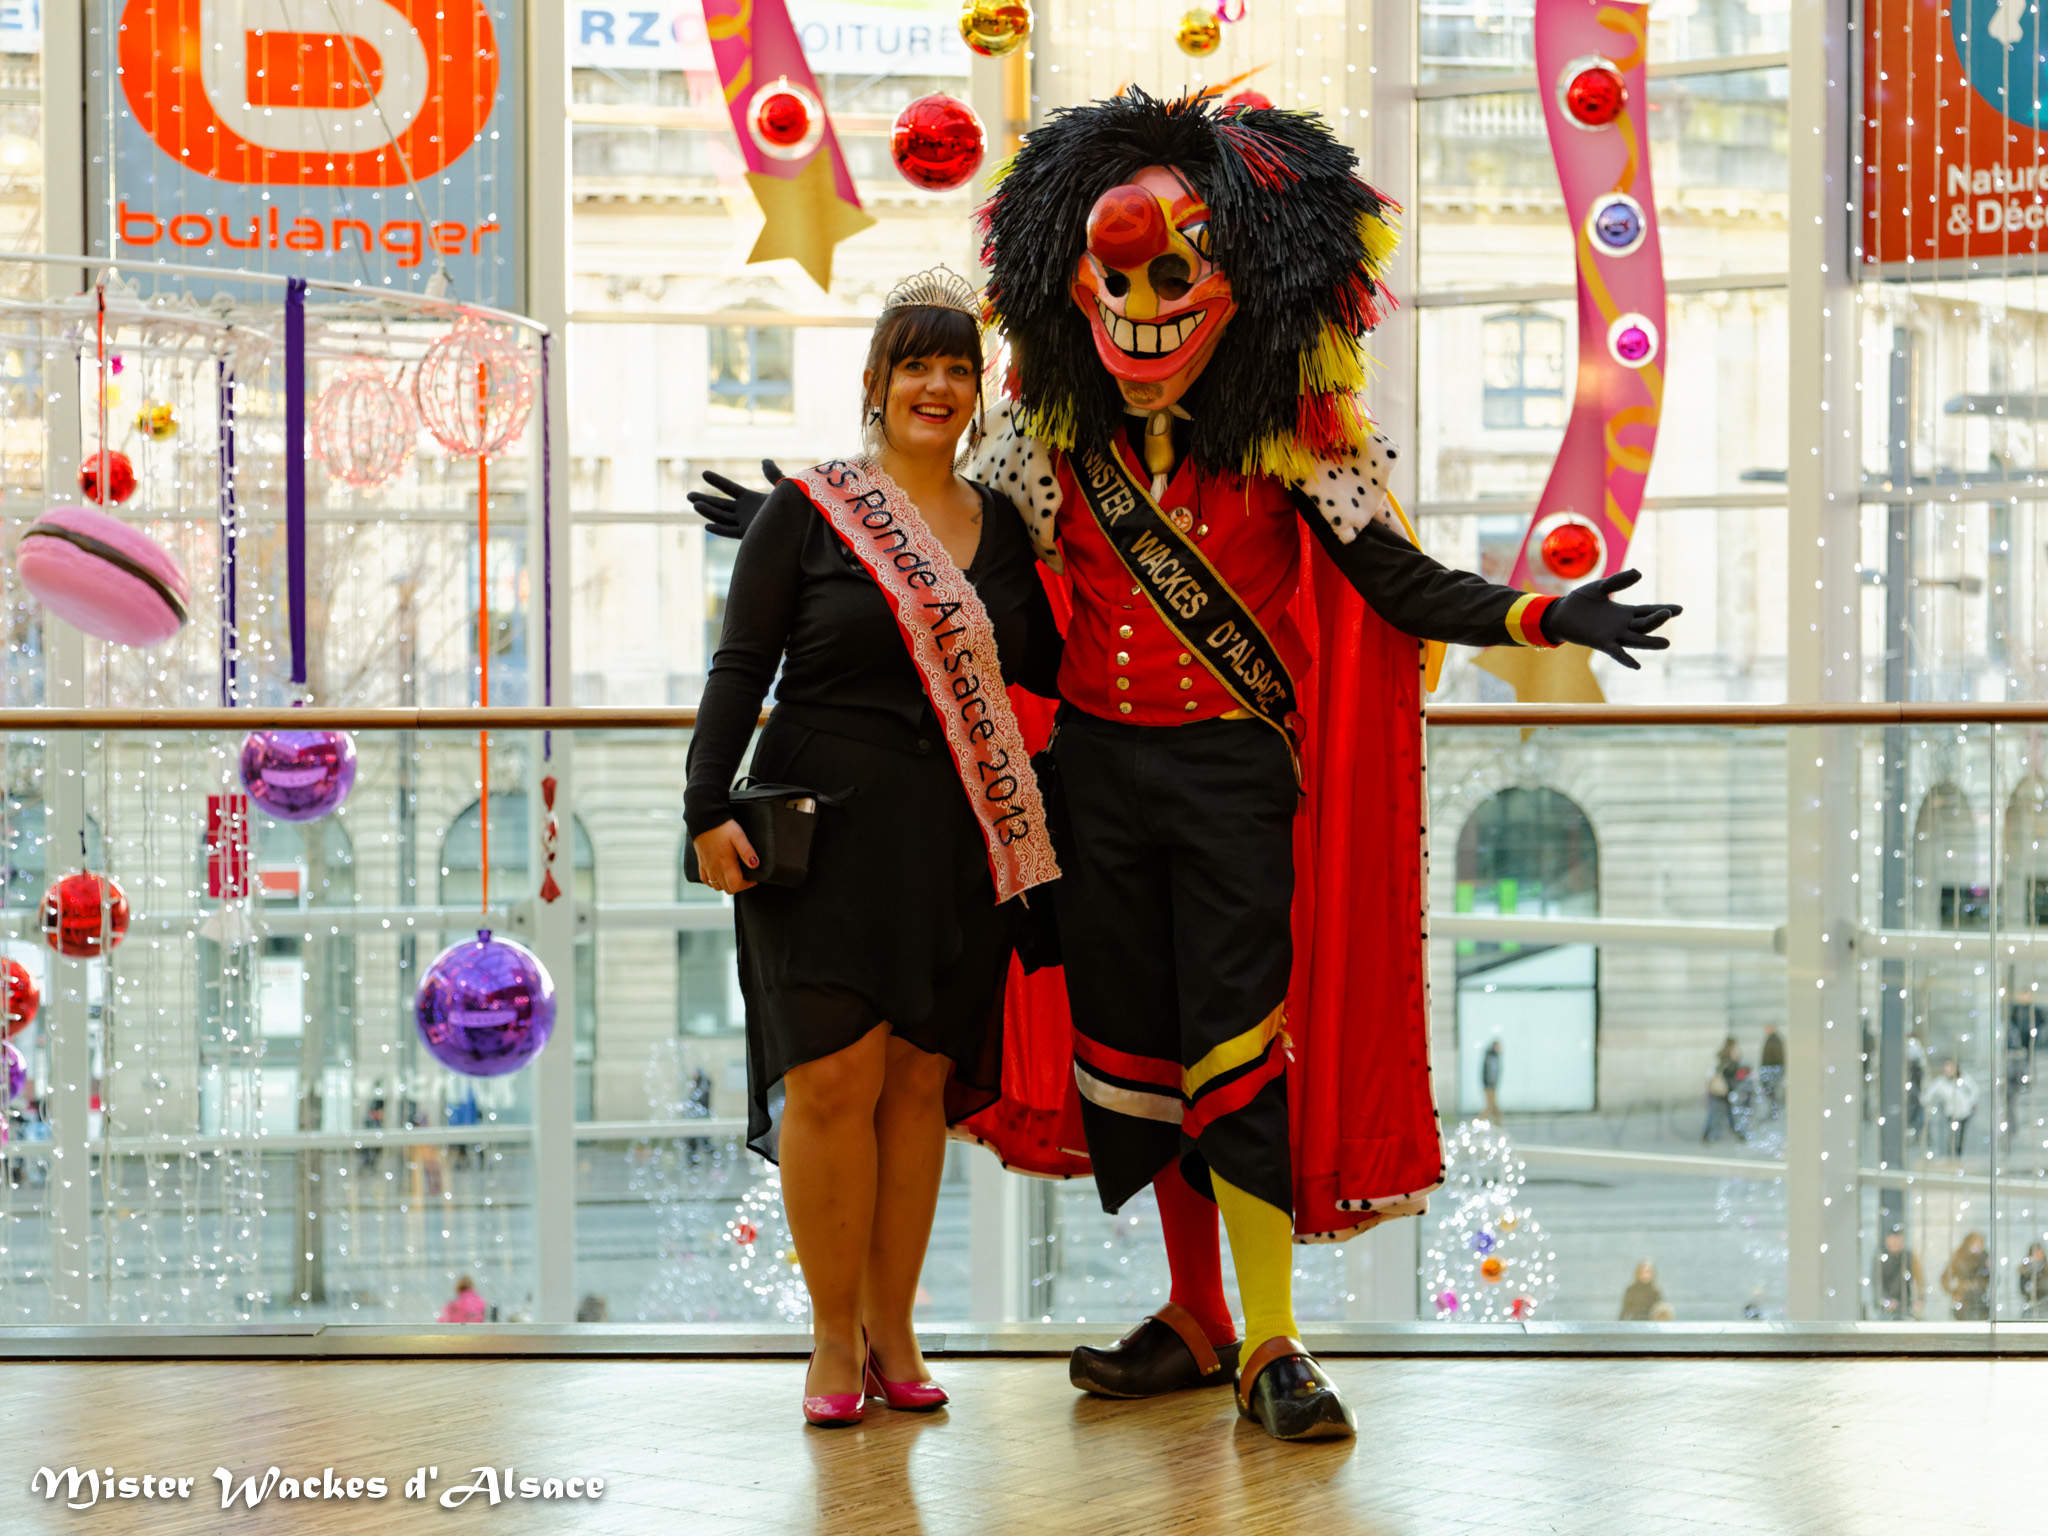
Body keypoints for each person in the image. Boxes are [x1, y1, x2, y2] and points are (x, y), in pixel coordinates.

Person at [697, 92, 1677, 1442]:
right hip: (1092, 783)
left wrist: (1540, 613)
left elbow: (1390, 577)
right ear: (1072, 281)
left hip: (1228, 780)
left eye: (1176, 272)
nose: (1145, 304)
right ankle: (1195, 1313)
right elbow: (947, 548)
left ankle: (1274, 1337)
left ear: (1249, 277)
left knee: (1237, 1053)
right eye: (1119, 276)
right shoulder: (1047, 441)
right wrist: (791, 526)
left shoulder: (1302, 436)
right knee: (1141, 1059)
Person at [686, 270, 1064, 1429]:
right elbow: (737, 668)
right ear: (876, 384)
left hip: (953, 838)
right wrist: (704, 808)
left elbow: (1040, 672)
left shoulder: (1000, 529)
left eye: (956, 368)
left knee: (915, 1090)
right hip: (819, 828)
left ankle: (893, 1327)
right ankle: (827, 1338)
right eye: (916, 365)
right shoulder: (807, 510)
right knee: (830, 1081)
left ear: (979, 394)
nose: (936, 385)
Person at [1924, 1058, 1979, 1158]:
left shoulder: (1965, 1080)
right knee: (1951, 1136)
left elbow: (1974, 1092)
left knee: (1961, 1137)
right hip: (1951, 1114)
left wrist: (1971, 1104)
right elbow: (1929, 1094)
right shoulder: (1941, 1083)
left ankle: (1958, 1155)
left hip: (1965, 1113)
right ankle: (1950, 1156)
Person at [1941, 1231, 1991, 1321]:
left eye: (1980, 1243)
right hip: (1963, 1301)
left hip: (1980, 1300)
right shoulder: (1959, 1257)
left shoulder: (1984, 1257)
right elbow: (1945, 1278)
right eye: (1975, 1243)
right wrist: (1955, 1292)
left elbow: (1993, 1279)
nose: (1978, 1246)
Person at [1703, 1038, 1744, 1144]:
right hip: (1723, 1090)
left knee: (1727, 1113)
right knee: (1719, 1113)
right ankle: (1707, 1135)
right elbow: (1730, 1073)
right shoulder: (1727, 1058)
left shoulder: (1722, 1056)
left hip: (1723, 1090)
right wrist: (1736, 1060)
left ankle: (1739, 1134)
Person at [1871, 1230, 1920, 1320]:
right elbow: (1877, 1282)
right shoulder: (1881, 1259)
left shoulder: (1908, 1257)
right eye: (1892, 1241)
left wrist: (1918, 1300)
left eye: (1897, 1241)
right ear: (1886, 1242)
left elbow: (1918, 1279)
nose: (1895, 1244)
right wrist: (1886, 1300)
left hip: (1907, 1304)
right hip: (1886, 1306)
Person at [1758, 1023, 1785, 1112]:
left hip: (1772, 1070)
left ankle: (1774, 1110)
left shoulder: (1774, 1040)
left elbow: (1776, 1056)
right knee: (1770, 1092)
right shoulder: (1771, 1039)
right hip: (1771, 1070)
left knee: (1772, 1092)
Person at [2019, 1241, 2048, 1320]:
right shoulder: (2026, 1270)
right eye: (2036, 1253)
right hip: (2030, 1305)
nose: (2038, 1255)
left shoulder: (2046, 1270)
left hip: (2044, 1306)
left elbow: (2044, 1288)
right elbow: (2022, 1288)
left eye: (2040, 1252)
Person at [1481, 1038, 1504, 1122]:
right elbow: (1491, 1072)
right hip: (1490, 1086)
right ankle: (1479, 1122)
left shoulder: (1494, 1057)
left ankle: (1498, 1124)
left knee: (1494, 1108)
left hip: (1492, 1086)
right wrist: (1491, 1085)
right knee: (1491, 1107)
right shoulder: (1491, 1057)